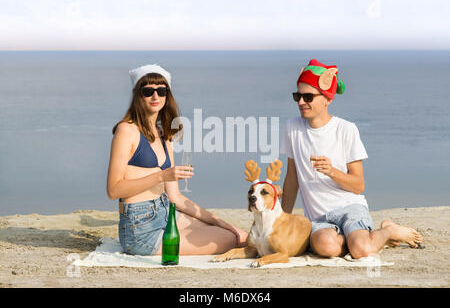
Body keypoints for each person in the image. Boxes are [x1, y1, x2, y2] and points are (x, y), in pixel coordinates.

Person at [280, 59, 423, 259]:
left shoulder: (346, 129)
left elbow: (358, 185)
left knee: (361, 250)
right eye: (298, 96)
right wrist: (282, 219)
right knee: (326, 247)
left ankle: (389, 231)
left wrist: (332, 172)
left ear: (327, 99)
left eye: (308, 97)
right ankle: (372, 239)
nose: (301, 102)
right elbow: (292, 178)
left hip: (350, 208)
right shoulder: (292, 128)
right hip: (319, 218)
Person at [107, 64, 247, 256]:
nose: (156, 97)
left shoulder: (164, 135)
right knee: (231, 240)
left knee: (235, 233)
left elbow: (175, 197)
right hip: (141, 228)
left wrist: (218, 221)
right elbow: (114, 190)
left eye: (161, 91)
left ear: (167, 95)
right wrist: (161, 176)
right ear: (137, 95)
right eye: (148, 91)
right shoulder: (127, 130)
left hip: (166, 212)